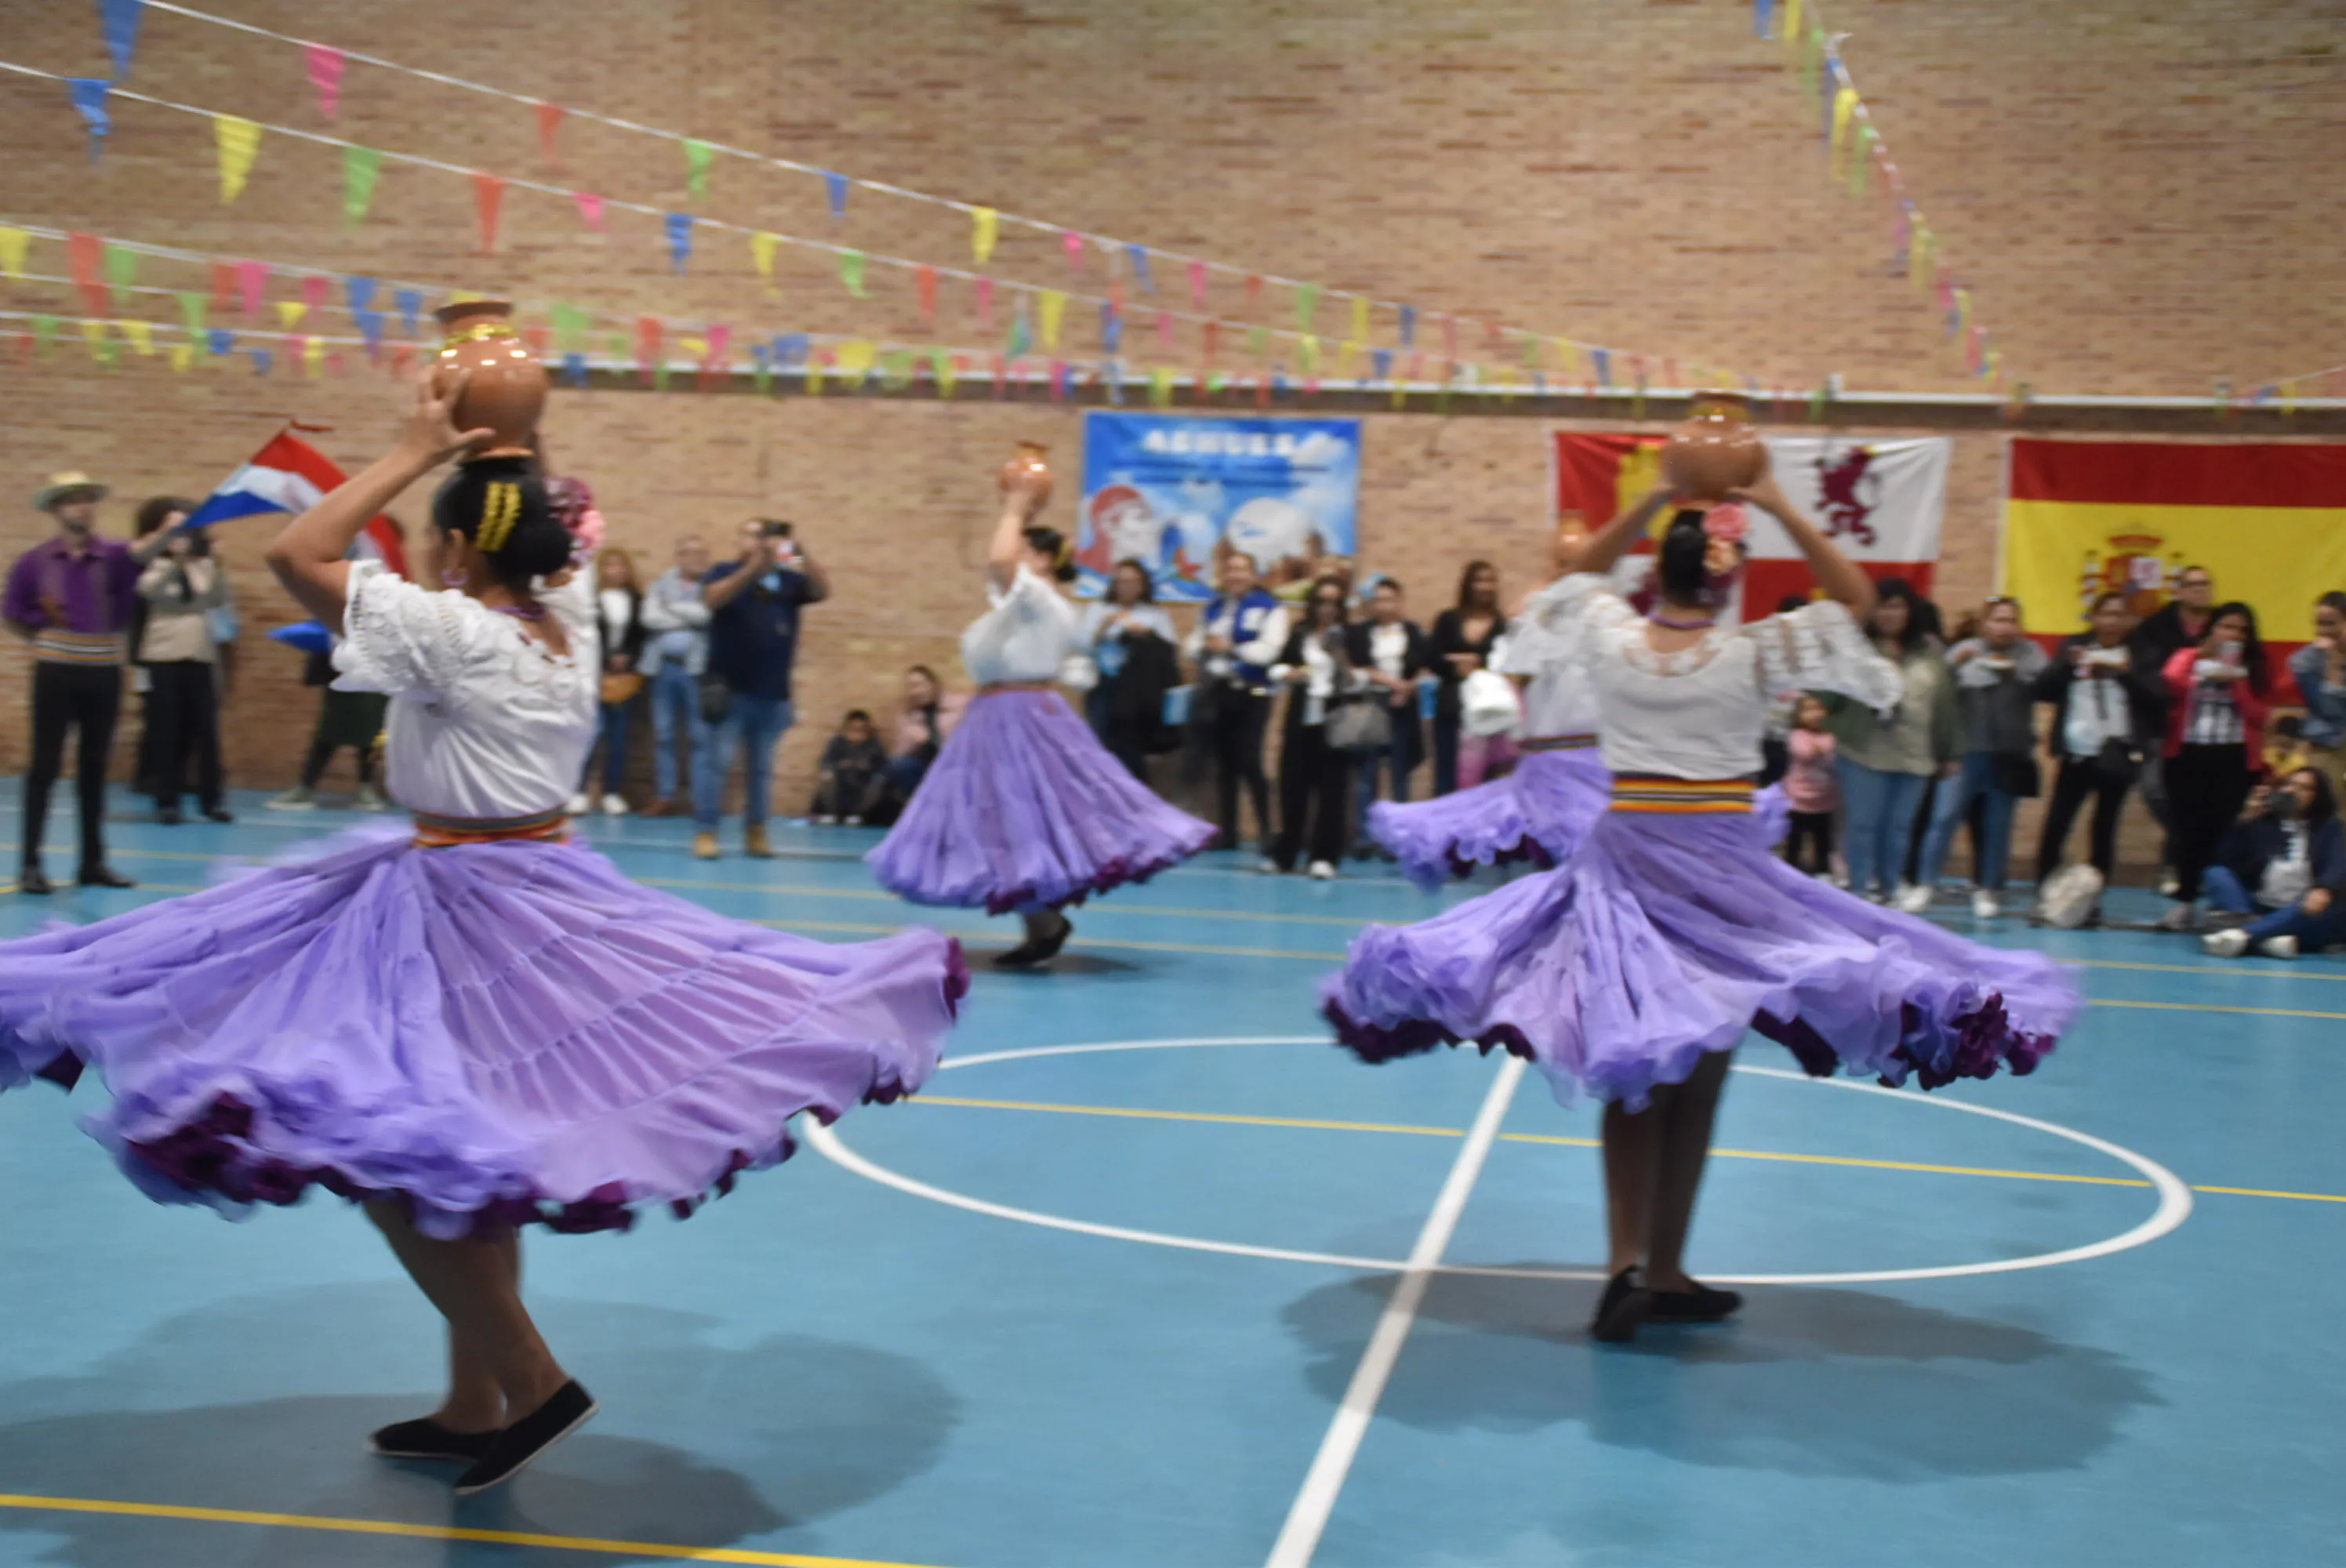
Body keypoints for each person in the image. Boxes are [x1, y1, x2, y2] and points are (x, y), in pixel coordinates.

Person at [0, 378, 964, 1497]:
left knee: (388, 1152)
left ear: (456, 546)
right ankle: (474, 1403)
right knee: (455, 1145)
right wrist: (510, 437)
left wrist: (412, 450)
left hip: (459, 901)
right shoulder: (572, 624)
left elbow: (297, 553)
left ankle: (534, 1380)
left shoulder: (449, 627)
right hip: (535, 883)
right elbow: (519, 525)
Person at [1320, 479, 2075, 1345]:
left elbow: (1579, 577)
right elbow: (1864, 604)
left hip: (1629, 858)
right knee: (1698, 1069)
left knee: (1637, 1060)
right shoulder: (1752, 652)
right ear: (1725, 578)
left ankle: (1627, 1267)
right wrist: (1788, 510)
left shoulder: (1613, 636)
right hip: (1717, 871)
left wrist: (1649, 500)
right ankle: (1665, 1267)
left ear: (1655, 576)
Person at [869, 464, 1215, 967]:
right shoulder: (1021, 606)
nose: (1016, 556)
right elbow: (1001, 567)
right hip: (997, 717)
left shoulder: (1039, 599)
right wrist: (1020, 511)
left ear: (1044, 559)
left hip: (1020, 718)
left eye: (1028, 548)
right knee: (1005, 822)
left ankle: (1045, 921)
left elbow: (999, 559)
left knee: (1021, 818)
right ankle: (1043, 923)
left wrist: (1016, 504)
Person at [4, 471, 170, 895]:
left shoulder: (114, 555)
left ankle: (92, 863)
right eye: (73, 500)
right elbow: (12, 610)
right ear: (56, 509)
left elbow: (143, 550)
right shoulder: (35, 561)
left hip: (103, 672)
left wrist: (169, 530)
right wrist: (45, 636)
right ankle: (30, 865)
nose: (83, 507)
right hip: (56, 671)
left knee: (94, 769)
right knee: (44, 767)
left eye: (88, 499)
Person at [692, 520, 830, 861]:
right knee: (717, 763)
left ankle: (756, 832)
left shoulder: (788, 576)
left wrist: (798, 551)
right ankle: (706, 832)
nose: (760, 542)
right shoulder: (724, 570)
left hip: (771, 692)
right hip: (729, 690)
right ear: (740, 540)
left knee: (761, 768)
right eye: (752, 535)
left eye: (765, 536)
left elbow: (822, 589)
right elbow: (712, 599)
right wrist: (753, 568)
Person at [1905, 597, 2046, 917]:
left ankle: (1987, 889)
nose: (2004, 627)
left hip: (2009, 753)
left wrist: (2020, 674)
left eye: (2010, 620)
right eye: (1997, 620)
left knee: (1998, 825)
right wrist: (1955, 669)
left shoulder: (2030, 653)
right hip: (1965, 753)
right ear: (1984, 623)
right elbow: (1937, 693)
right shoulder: (1964, 650)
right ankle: (1925, 884)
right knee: (1943, 819)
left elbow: (2047, 686)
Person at [2030, 590, 2160, 926]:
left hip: (2117, 753)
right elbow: (2043, 689)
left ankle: (2091, 902)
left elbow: (2158, 697)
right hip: (2077, 752)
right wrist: (2066, 665)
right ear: (2094, 618)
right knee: (2057, 824)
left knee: (2104, 828)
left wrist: (2124, 673)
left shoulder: (2139, 652)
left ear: (2128, 621)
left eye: (2120, 615)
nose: (2112, 621)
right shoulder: (2075, 647)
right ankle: (2044, 896)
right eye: (2106, 614)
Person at [1821, 579, 1956, 902]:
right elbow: (1825, 694)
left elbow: (1945, 706)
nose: (1889, 614)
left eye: (1896, 606)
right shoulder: (1854, 649)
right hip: (1863, 753)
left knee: (1898, 830)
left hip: (1914, 755)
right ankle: (1858, 890)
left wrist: (1948, 752)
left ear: (1909, 610)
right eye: (1882, 605)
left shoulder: (1929, 653)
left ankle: (1891, 889)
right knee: (1863, 825)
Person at [2155, 601, 2271, 931]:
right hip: (2187, 754)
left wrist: (2235, 681)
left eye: (2241, 630)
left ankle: (2222, 904)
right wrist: (2201, 656)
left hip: (2233, 757)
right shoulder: (2186, 658)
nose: (2233, 634)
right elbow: (2171, 683)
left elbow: (2260, 716)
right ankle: (2184, 901)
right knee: (2188, 830)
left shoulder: (2253, 667)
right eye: (2227, 627)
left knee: (2224, 832)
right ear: (2212, 628)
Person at [133, 503, 235, 826]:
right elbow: (151, 592)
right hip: (164, 655)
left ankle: (211, 800)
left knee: (205, 731)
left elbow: (216, 600)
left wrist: (217, 564)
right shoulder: (154, 564)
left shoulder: (203, 565)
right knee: (166, 729)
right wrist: (174, 559)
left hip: (200, 654)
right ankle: (167, 801)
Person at [1184, 553, 1287, 852]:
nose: (1235, 575)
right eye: (1230, 569)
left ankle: (1268, 829)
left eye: (1242, 569)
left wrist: (1231, 648)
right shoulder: (1214, 608)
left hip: (1251, 692)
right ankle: (1228, 832)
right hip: (1216, 692)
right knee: (1224, 765)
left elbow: (1269, 650)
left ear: (1254, 574)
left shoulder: (1270, 608)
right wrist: (1203, 644)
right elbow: (1192, 645)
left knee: (1250, 761)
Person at [2130, 563, 2215, 892]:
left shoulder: (2221, 626)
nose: (2200, 590)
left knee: (2198, 800)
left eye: (2205, 584)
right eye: (2192, 584)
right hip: (2161, 726)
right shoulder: (2155, 628)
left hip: (2206, 728)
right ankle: (2186, 853)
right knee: (2156, 792)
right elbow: (2147, 677)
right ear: (2178, 590)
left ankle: (2179, 865)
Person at [1266, 577, 1357, 879]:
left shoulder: (1350, 636)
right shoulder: (1301, 632)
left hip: (1335, 720)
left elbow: (1361, 677)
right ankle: (1286, 854)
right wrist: (1289, 673)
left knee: (1332, 790)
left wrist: (1339, 658)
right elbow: (1277, 666)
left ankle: (1325, 856)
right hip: (1301, 718)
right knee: (1292, 787)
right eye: (1321, 601)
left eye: (1333, 602)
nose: (1327, 608)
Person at [2202, 768, 2344, 959]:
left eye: (2304, 788)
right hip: (2259, 905)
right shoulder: (2261, 821)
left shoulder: (2329, 827)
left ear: (2317, 797)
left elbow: (2336, 863)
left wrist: (2324, 889)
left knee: (2328, 912)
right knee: (2215, 874)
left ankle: (2243, 934)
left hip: (2302, 909)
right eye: (2289, 784)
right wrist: (2244, 821)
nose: (2293, 791)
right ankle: (2267, 937)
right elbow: (2225, 860)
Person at [1344, 577, 1431, 856]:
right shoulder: (1361, 632)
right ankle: (1365, 837)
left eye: (1390, 599)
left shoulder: (1412, 631)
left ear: (1400, 602)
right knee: (1367, 774)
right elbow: (1360, 665)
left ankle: (1397, 835)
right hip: (1370, 704)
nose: (1384, 606)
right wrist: (1394, 685)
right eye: (1379, 600)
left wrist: (1408, 688)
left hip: (1403, 708)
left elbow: (1424, 666)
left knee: (1399, 772)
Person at [1077, 558, 1179, 782]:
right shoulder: (1099, 609)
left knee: (1132, 747)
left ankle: (1137, 799)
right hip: (1104, 685)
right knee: (1104, 744)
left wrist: (1144, 633)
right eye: (1121, 581)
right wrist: (1103, 628)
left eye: (1133, 581)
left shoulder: (1155, 614)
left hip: (1139, 690)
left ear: (1142, 585)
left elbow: (1170, 650)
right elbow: (1082, 646)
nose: (1127, 586)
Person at [636, 534, 713, 817]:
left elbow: (707, 616)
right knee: (663, 734)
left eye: (701, 553)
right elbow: (649, 618)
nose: (696, 559)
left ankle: (699, 797)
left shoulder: (713, 586)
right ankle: (665, 795)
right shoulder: (660, 584)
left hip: (696, 669)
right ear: (678, 557)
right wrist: (690, 616)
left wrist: (672, 609)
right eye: (689, 553)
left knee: (699, 736)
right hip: (662, 667)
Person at [574, 545, 645, 816]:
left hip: (624, 677)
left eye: (620, 566)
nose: (615, 571)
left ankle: (612, 792)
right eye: (609, 566)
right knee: (592, 734)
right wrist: (603, 661)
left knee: (618, 738)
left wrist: (627, 657)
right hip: (595, 674)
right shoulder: (591, 600)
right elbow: (587, 636)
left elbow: (640, 636)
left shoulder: (636, 599)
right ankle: (579, 791)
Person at [1429, 561, 1509, 795]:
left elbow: (1506, 662)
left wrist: (1477, 664)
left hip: (1488, 712)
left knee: (1485, 779)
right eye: (1479, 580)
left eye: (1490, 581)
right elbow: (1431, 657)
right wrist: (1456, 666)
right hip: (1451, 708)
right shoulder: (1448, 619)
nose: (1485, 586)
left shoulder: (1503, 624)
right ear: (1468, 584)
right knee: (1446, 775)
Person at [2289, 592, 2346, 793]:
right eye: (2319, 624)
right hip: (2326, 746)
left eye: (2331, 623)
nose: (2323, 631)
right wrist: (2333, 665)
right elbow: (2329, 710)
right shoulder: (2304, 661)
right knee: (2330, 811)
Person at [1781, 693, 1839, 876]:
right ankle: (1790, 868)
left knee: (1823, 837)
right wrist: (1820, 750)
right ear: (1798, 715)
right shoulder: (1797, 735)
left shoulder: (1831, 736)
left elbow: (1834, 759)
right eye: (1808, 710)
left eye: (1819, 708)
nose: (1815, 714)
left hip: (1824, 799)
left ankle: (1823, 870)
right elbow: (1803, 753)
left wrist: (1821, 751)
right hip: (1798, 798)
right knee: (1795, 837)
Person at [812, 710, 888, 824]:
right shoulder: (837, 742)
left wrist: (866, 768)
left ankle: (857, 815)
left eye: (861, 729)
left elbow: (882, 767)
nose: (856, 733)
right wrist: (832, 769)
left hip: (863, 786)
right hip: (840, 785)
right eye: (853, 729)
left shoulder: (874, 744)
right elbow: (826, 762)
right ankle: (831, 813)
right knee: (827, 776)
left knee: (879, 781)